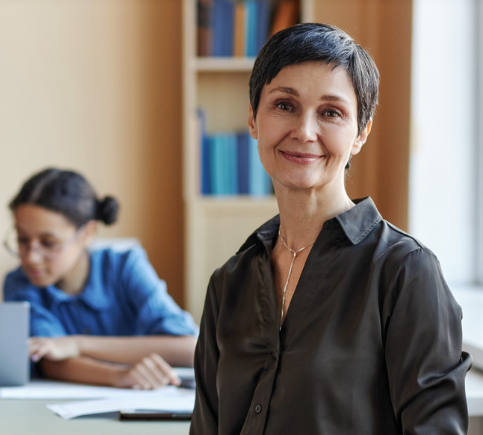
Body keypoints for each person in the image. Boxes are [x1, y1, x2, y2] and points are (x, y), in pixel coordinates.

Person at [190, 23, 471, 434]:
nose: (304, 131)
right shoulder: (228, 284)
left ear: (361, 132)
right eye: (284, 105)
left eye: (330, 112)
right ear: (253, 118)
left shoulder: (406, 272)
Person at [3, 168, 198, 389]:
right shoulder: (19, 283)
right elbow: (50, 361)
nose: (31, 257)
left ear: (87, 233)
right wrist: (118, 376)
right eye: (22, 239)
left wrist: (76, 345)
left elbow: (189, 348)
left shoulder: (125, 266)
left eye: (49, 243)